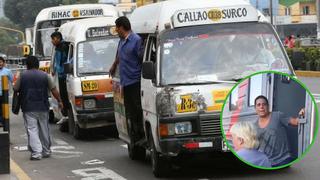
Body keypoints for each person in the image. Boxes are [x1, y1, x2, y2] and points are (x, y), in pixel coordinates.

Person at [13, 56, 63, 160]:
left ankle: (36, 153)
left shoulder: (23, 76)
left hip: (28, 107)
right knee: (44, 129)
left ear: (27, 65)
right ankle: (46, 150)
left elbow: (15, 88)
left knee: (32, 129)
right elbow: (54, 90)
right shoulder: (45, 75)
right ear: (38, 65)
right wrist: (59, 101)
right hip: (43, 106)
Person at [109, 16, 144, 143]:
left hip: (135, 81)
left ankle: (141, 135)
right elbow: (119, 55)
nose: (116, 31)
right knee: (129, 111)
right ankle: (135, 136)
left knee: (136, 110)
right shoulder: (122, 41)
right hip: (125, 83)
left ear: (122, 27)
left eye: (117, 28)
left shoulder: (136, 41)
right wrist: (114, 65)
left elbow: (141, 59)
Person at [253, 95, 304, 167]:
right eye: (258, 105)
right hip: (267, 162)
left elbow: (295, 121)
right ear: (255, 108)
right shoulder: (254, 125)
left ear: (268, 106)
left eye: (264, 104)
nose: (261, 107)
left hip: (283, 160)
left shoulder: (277, 116)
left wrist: (302, 113)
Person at [51, 31, 70, 125]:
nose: (52, 41)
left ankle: (66, 114)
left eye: (53, 39)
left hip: (63, 74)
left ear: (57, 38)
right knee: (62, 94)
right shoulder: (58, 47)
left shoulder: (63, 47)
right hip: (60, 73)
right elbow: (57, 61)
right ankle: (64, 114)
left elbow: (63, 61)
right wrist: (54, 69)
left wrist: (58, 69)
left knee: (63, 95)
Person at [0, 57, 13, 127]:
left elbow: (13, 81)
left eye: (1, 62)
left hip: (4, 94)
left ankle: (3, 122)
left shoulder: (8, 71)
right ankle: (1, 121)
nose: (0, 63)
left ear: (4, 63)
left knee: (4, 108)